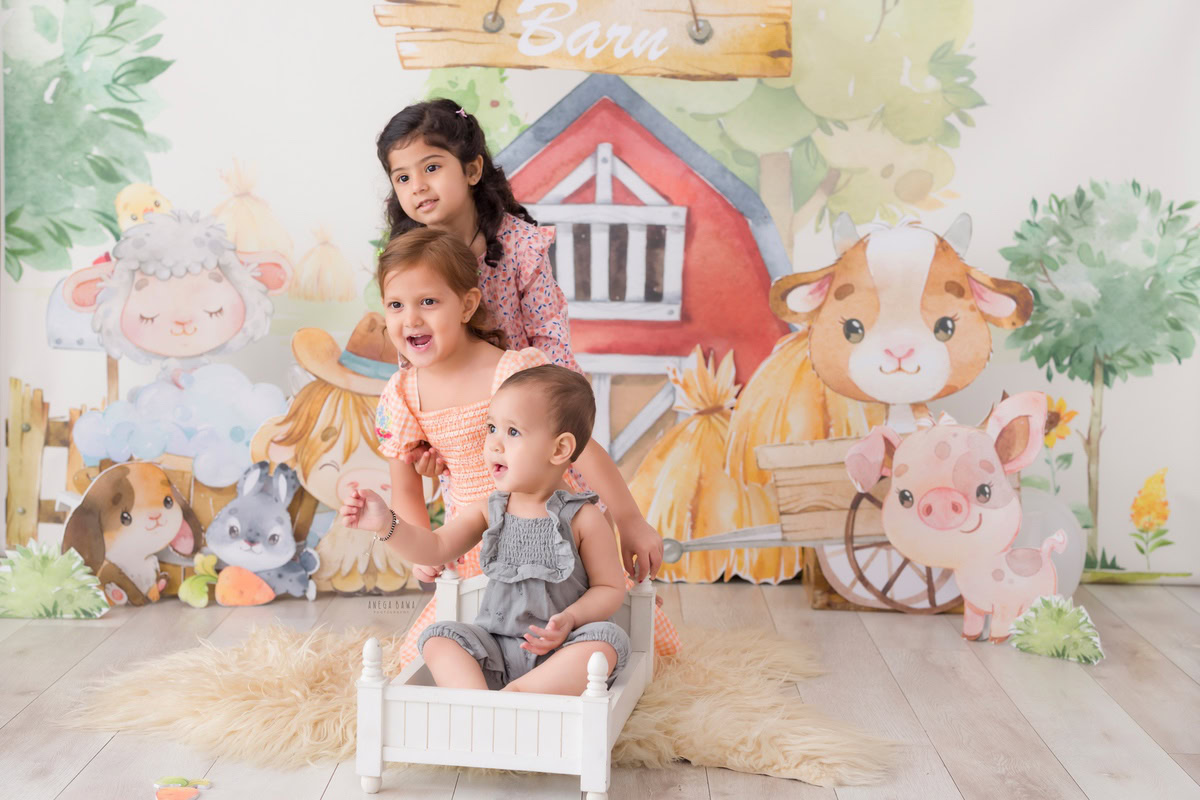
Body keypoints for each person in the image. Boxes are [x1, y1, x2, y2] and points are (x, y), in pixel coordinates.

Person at [375, 98, 665, 584]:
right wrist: (431, 439)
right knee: (485, 572)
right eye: (402, 177)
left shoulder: (520, 249)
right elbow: (414, 357)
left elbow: (553, 348)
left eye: (431, 167)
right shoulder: (406, 261)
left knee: (572, 555)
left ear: (472, 170)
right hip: (466, 441)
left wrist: (545, 407)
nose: (418, 185)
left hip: (531, 407)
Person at [369, 227, 680, 668]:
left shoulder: (510, 371)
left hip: (549, 525)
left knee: (605, 633)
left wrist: (629, 520)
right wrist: (419, 546)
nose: (411, 319)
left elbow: (584, 450)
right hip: (476, 537)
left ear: (467, 305)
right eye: (396, 305)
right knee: (424, 656)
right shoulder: (401, 394)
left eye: (429, 302)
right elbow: (404, 485)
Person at [343, 364, 630, 695]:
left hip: (563, 651)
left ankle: (514, 697)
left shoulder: (583, 518)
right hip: (496, 652)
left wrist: (571, 619)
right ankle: (478, 700)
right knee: (438, 639)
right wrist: (385, 523)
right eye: (492, 428)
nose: (494, 443)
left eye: (513, 432)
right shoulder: (489, 510)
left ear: (559, 449)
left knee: (605, 645)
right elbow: (434, 548)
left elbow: (610, 588)